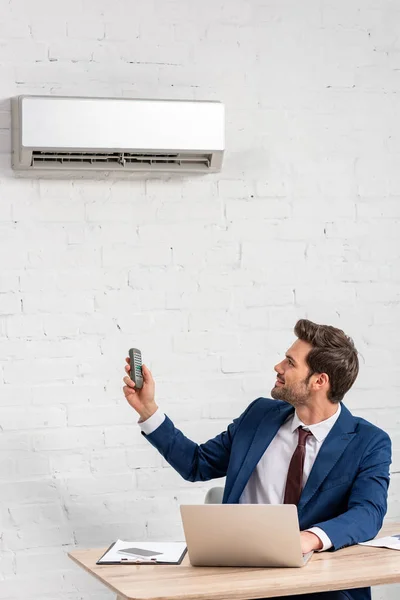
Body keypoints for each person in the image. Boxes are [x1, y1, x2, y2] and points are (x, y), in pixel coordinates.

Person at [123, 319, 391, 600]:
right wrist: (148, 410)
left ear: (319, 381)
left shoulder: (368, 442)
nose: (278, 367)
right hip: (242, 581)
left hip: (321, 588)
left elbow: (368, 512)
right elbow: (197, 464)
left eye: (290, 362)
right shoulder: (260, 416)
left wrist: (305, 540)